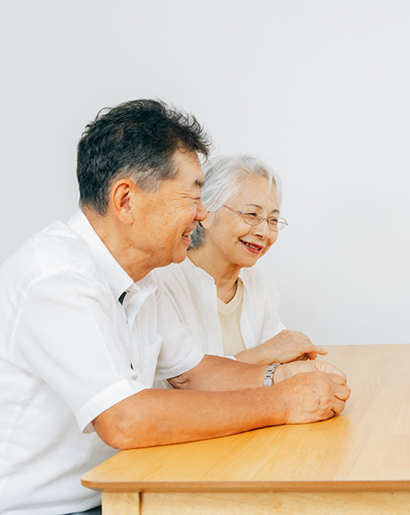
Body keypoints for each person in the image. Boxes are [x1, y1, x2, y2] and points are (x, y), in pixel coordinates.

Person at [0, 99, 351, 515]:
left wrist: (281, 376)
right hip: (50, 509)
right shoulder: (56, 277)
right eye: (193, 197)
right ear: (126, 200)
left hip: (125, 488)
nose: (202, 214)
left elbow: (193, 374)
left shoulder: (143, 279)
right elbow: (124, 420)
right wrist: (283, 402)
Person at [150, 154, 323, 372]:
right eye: (252, 214)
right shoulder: (161, 284)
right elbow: (184, 379)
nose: (264, 232)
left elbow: (279, 358)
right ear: (205, 214)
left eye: (272, 220)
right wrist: (264, 354)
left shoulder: (260, 287)